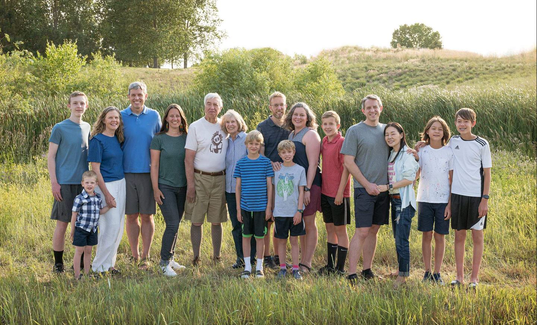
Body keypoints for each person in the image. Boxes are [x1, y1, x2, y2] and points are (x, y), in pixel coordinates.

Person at [341, 94, 390, 284]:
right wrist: (367, 184)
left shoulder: (387, 130)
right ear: (363, 111)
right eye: (368, 108)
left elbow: (401, 151)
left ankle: (367, 270)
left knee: (374, 230)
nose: (372, 110)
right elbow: (348, 162)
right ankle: (352, 273)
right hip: (363, 189)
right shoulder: (355, 131)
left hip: (383, 190)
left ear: (381, 108)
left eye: (375, 107)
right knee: (362, 231)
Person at [47, 91, 91, 273]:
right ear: (69, 106)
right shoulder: (59, 128)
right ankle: (58, 263)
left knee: (82, 223)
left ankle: (80, 262)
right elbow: (51, 156)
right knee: (63, 223)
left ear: (86, 106)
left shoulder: (88, 127)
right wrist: (54, 183)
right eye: (75, 103)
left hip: (83, 185)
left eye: (82, 103)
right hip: (64, 183)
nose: (78, 106)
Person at [448, 108, 491, 289]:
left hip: (476, 198)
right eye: (459, 121)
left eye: (466, 121)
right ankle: (459, 277)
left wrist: (484, 199)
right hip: (457, 196)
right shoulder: (453, 141)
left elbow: (487, 174)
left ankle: (474, 278)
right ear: (456, 123)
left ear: (473, 123)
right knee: (459, 236)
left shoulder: (482, 144)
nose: (462, 124)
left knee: (477, 237)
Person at [184, 93, 228, 265]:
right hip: (200, 178)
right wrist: (191, 185)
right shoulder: (196, 127)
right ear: (204, 106)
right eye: (208, 104)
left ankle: (216, 256)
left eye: (215, 104)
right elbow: (188, 159)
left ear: (220, 107)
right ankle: (196, 257)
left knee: (216, 220)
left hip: (220, 179)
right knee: (197, 220)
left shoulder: (225, 125)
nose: (212, 107)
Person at [121, 81, 161, 268]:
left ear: (146, 96)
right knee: (131, 216)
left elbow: (161, 142)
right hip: (126, 173)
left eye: (140, 94)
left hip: (148, 173)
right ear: (128, 96)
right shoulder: (120, 116)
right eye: (133, 95)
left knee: (147, 215)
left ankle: (146, 256)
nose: (137, 98)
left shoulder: (154, 116)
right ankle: (134, 255)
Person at [377, 123, 419, 287]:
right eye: (386, 134)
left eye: (393, 133)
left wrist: (388, 187)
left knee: (402, 239)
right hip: (394, 200)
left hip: (404, 202)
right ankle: (400, 270)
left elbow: (409, 179)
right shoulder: (392, 154)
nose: (389, 137)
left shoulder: (407, 154)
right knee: (397, 238)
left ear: (402, 134)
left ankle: (403, 275)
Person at [150, 104, 189, 277]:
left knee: (176, 224)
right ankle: (163, 263)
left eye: (178, 116)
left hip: (183, 186)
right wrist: (155, 188)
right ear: (166, 118)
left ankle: (171, 258)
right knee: (172, 223)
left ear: (181, 119)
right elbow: (155, 165)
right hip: (165, 186)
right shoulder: (159, 139)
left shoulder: (187, 137)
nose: (175, 119)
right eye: (171, 116)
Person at [284, 102, 321, 273]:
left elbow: (313, 164)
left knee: (309, 222)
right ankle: (300, 261)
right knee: (302, 225)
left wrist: (307, 189)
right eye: (295, 114)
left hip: (310, 184)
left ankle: (307, 262)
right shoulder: (291, 135)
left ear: (308, 118)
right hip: (297, 186)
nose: (298, 117)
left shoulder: (311, 135)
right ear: (291, 116)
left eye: (302, 114)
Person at [89, 106, 126, 274]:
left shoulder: (117, 139)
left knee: (118, 227)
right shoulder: (97, 140)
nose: (114, 121)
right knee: (108, 227)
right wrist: (107, 194)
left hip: (121, 183)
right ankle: (98, 268)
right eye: (111, 118)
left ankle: (109, 265)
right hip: (106, 185)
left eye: (116, 118)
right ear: (103, 119)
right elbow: (95, 170)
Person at [416, 116, 453, 285]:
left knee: (440, 236)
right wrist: (415, 154)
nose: (436, 131)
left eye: (440, 129)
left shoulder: (449, 151)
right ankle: (427, 271)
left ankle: (437, 273)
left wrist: (450, 204)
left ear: (444, 132)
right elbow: (415, 174)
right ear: (428, 132)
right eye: (433, 128)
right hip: (424, 198)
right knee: (426, 235)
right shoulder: (422, 151)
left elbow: (452, 179)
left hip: (443, 200)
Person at [257, 91, 290, 269]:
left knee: (282, 218)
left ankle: (279, 255)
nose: (279, 108)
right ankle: (267, 256)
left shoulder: (290, 126)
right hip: (268, 178)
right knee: (267, 220)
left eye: (281, 104)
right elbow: (260, 154)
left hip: (286, 180)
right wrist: (272, 164)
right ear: (270, 107)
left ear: (286, 106)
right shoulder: (262, 126)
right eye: (275, 105)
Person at [234, 130, 274, 278]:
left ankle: (259, 267)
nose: (253, 146)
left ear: (260, 145)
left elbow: (270, 186)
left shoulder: (265, 162)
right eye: (251, 143)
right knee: (246, 236)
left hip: (261, 207)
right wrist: (238, 209)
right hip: (245, 206)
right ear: (246, 144)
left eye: (257, 144)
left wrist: (269, 207)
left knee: (260, 237)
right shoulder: (241, 163)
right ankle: (247, 267)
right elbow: (238, 187)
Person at [318, 111, 351, 275]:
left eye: (331, 124)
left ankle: (340, 268)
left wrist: (340, 193)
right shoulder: (324, 141)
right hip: (326, 193)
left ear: (338, 126)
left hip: (339, 194)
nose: (328, 127)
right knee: (329, 229)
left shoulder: (342, 142)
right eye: (325, 124)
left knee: (340, 230)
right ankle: (330, 266)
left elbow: (347, 169)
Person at [222, 109, 256, 269]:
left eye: (233, 121)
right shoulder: (225, 141)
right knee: (236, 224)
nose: (230, 124)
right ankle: (240, 258)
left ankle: (253, 257)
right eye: (227, 122)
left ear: (239, 123)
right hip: (230, 190)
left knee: (249, 224)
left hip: (247, 190)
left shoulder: (248, 139)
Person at [273, 140, 307, 280]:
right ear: (279, 154)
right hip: (280, 211)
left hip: (294, 212)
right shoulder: (276, 170)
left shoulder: (299, 170)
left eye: (289, 152)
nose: (287, 154)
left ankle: (295, 268)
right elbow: (273, 190)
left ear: (294, 152)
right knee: (281, 240)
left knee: (294, 241)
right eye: (283, 152)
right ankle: (282, 268)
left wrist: (299, 211)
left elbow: (301, 192)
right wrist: (272, 209)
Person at [70, 170, 111, 280]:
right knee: (79, 251)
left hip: (92, 230)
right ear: (82, 183)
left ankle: (87, 274)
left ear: (96, 184)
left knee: (88, 251)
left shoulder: (97, 198)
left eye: (92, 183)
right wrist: (72, 230)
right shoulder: (80, 198)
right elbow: (74, 214)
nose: (89, 185)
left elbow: (100, 211)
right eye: (87, 183)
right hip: (81, 229)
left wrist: (110, 207)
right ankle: (77, 275)